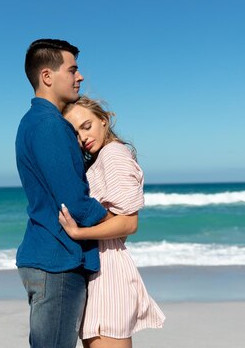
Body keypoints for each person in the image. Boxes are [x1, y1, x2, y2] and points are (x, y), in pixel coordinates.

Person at [15, 39, 112, 348]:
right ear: (47, 76)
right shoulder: (49, 125)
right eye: (72, 70)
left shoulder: (34, 122)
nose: (79, 77)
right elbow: (75, 202)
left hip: (47, 257)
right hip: (56, 260)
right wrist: (114, 218)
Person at [59, 96, 165, 348]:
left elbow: (129, 223)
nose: (83, 137)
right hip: (101, 268)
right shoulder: (101, 158)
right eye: (75, 133)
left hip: (109, 272)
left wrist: (78, 233)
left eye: (87, 126)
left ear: (104, 121)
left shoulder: (113, 153)